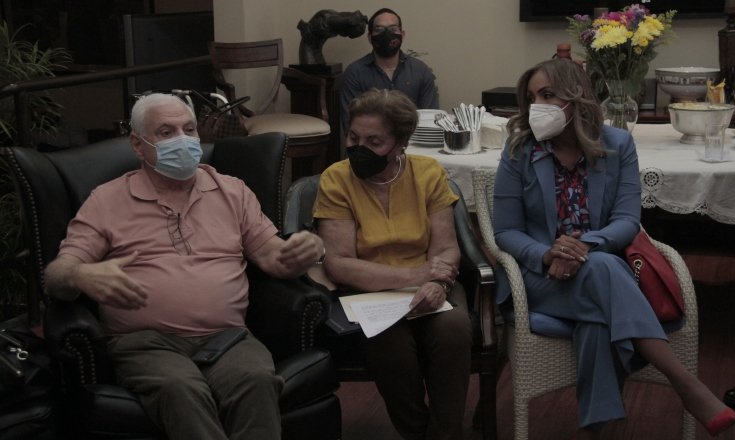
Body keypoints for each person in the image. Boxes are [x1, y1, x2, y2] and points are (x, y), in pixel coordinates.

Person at [43, 93, 326, 440]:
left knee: (256, 380)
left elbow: (273, 257)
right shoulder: (107, 199)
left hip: (228, 338)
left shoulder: (232, 191)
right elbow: (56, 275)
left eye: (189, 129)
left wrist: (303, 251)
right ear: (138, 144)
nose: (183, 140)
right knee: (181, 388)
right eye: (166, 132)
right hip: (146, 342)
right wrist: (80, 274)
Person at [492, 59, 735, 439]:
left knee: (596, 310)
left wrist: (582, 247)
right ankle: (686, 383)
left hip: (598, 271)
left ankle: (595, 430)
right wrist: (547, 255)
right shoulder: (519, 150)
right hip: (539, 279)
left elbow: (627, 220)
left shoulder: (617, 144)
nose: (537, 105)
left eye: (547, 94)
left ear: (576, 98)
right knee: (604, 270)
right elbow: (506, 231)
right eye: (531, 98)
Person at [314, 89, 471, 440]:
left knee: (454, 329)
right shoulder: (336, 179)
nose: (359, 148)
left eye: (374, 141)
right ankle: (417, 432)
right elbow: (339, 264)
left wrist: (438, 284)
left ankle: (446, 434)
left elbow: (445, 248)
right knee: (389, 344)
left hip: (433, 283)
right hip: (367, 294)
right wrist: (418, 275)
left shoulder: (428, 173)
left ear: (400, 143)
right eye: (353, 138)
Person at [339, 7, 438, 131]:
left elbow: (430, 120)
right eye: (379, 29)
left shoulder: (421, 71)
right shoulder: (354, 73)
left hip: (414, 146)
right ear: (370, 37)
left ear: (402, 34)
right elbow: (350, 125)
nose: (387, 34)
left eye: (393, 29)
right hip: (369, 146)